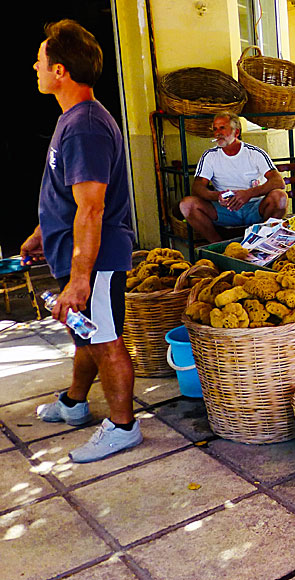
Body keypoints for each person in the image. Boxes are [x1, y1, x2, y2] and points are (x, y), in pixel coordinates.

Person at [22, 19, 141, 463]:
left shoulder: (86, 125)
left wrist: (79, 279)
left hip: (100, 260)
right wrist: (41, 233)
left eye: (41, 58)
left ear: (60, 71)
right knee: (85, 336)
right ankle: (74, 404)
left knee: (105, 340)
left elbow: (92, 209)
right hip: (86, 257)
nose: (34, 64)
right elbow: (70, 197)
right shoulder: (74, 119)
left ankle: (123, 427)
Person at [179, 112, 288, 243]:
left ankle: (264, 242)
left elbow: (278, 182)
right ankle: (218, 246)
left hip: (255, 208)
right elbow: (197, 188)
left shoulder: (254, 153)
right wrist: (217, 196)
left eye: (222, 128)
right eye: (215, 129)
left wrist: (248, 194)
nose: (218, 133)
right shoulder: (210, 156)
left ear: (236, 132)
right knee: (187, 205)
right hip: (225, 210)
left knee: (280, 197)